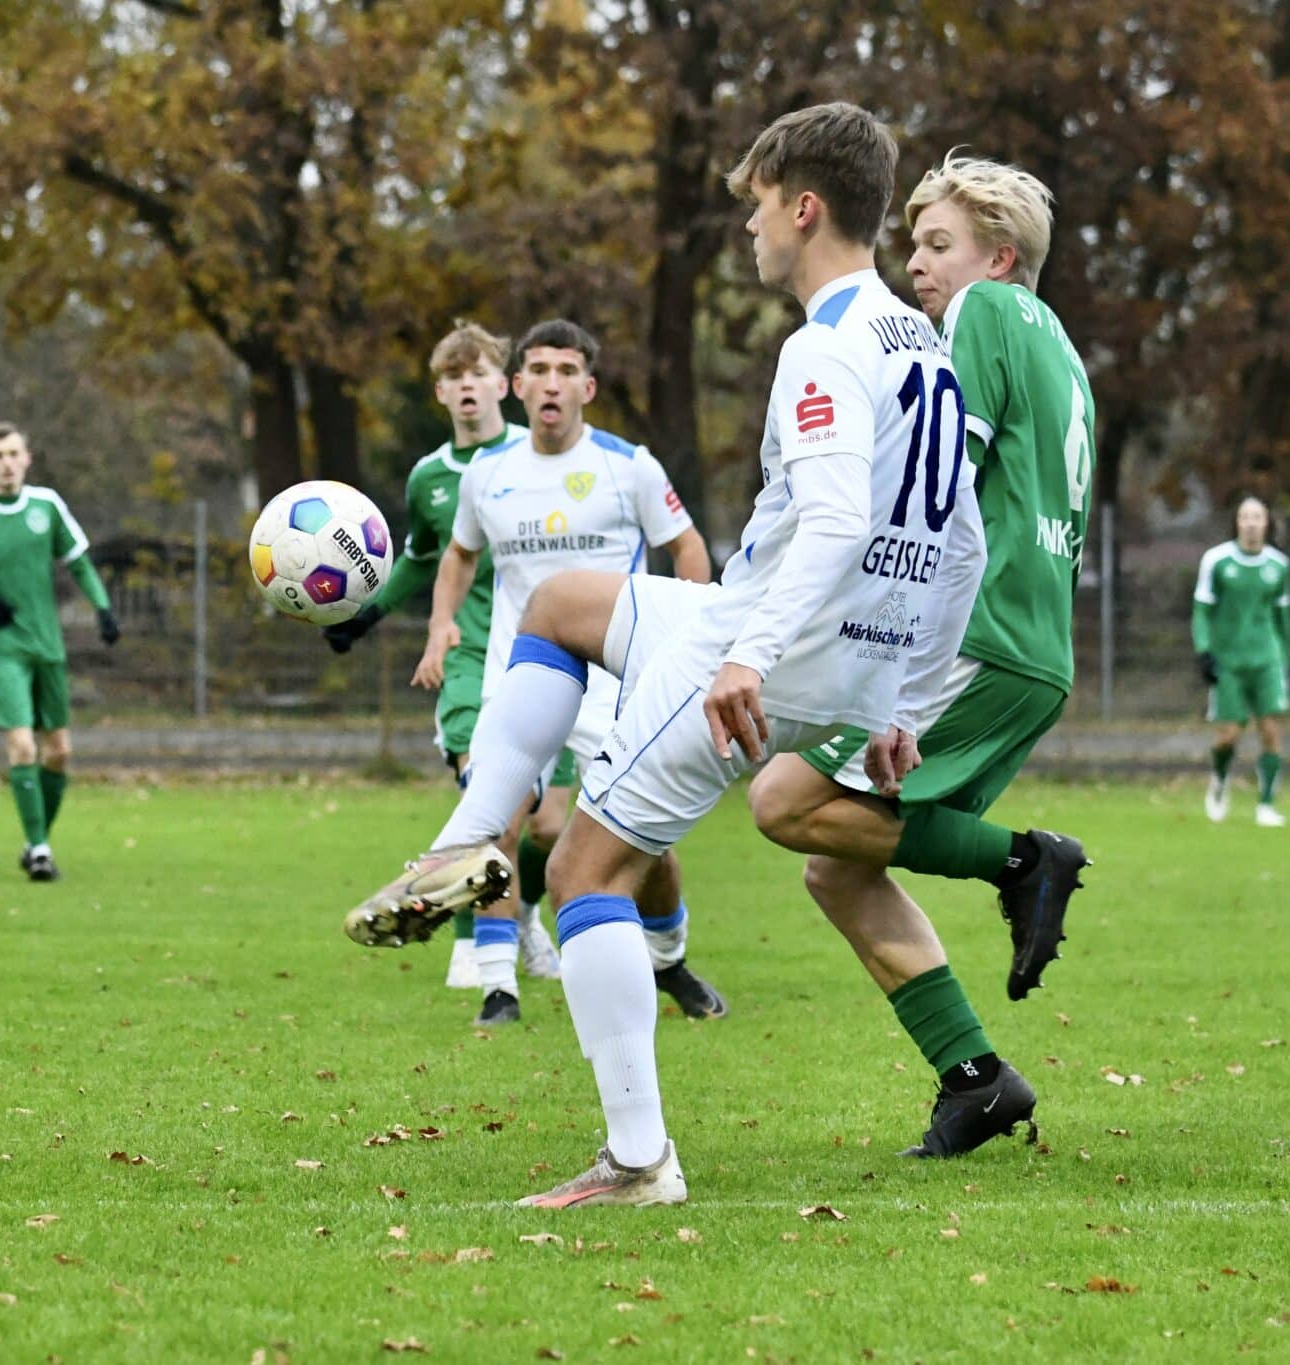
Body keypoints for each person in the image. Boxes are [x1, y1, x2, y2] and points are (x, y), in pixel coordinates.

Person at [343, 101, 983, 1206]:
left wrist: (754, 660)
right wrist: (903, 703)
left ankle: (638, 1161)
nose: (746, 233)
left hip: (767, 644)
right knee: (558, 604)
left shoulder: (822, 346)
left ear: (803, 207)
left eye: (752, 209)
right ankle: (463, 843)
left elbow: (833, 523)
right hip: (833, 650)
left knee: (590, 872)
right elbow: (957, 538)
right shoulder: (918, 343)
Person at [744, 150, 1091, 1156]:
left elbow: (943, 489)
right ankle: (974, 1079)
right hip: (1032, 644)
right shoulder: (1060, 347)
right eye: (913, 243)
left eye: (938, 244)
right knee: (836, 862)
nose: (918, 264)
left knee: (783, 801)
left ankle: (1025, 860)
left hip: (976, 634)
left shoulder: (981, 316)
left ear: (1000, 255)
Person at [416, 317, 718, 1028]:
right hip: (515, 678)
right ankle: (498, 985)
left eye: (566, 369)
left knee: (645, 839)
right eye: (539, 369)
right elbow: (459, 554)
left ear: (588, 384)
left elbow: (689, 547)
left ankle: (668, 956)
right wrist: (440, 622)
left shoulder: (628, 466)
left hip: (615, 686)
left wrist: (690, 644)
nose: (552, 382)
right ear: (517, 384)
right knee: (498, 818)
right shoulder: (487, 476)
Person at [320, 321, 562, 995]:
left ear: (502, 382)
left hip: (545, 654)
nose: (466, 386)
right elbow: (422, 560)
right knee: (485, 796)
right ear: (440, 390)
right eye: (453, 376)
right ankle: (471, 946)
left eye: (478, 372)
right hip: (466, 653)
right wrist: (364, 617)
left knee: (548, 824)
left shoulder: (536, 455)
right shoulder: (430, 475)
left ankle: (525, 914)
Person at [0, 422, 120, 881]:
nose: (6, 463)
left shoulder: (47, 506)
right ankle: (38, 850)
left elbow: (79, 561)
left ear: (28, 458)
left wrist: (104, 609)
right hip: (2, 648)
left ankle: (38, 839)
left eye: (14, 453)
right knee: (21, 744)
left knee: (58, 753)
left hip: (46, 645)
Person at [1193, 497, 1290, 826]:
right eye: (1245, 516)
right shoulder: (1217, 561)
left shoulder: (1279, 566)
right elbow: (1202, 611)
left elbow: (1282, 618)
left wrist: (1284, 662)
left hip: (1267, 659)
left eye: (1257, 517)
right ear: (1237, 522)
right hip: (1229, 661)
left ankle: (1266, 804)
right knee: (1228, 736)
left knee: (1270, 730)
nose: (1251, 522)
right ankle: (1220, 781)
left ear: (1266, 523)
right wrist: (1204, 650)